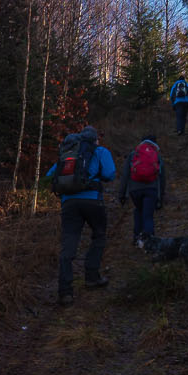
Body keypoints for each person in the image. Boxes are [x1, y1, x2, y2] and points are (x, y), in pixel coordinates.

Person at [45, 125, 116, 306]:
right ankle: (92, 276)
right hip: (93, 201)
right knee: (99, 235)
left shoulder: (69, 153)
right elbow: (109, 173)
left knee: (68, 245)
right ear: (95, 139)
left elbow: (49, 175)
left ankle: (65, 291)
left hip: (68, 204)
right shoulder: (100, 151)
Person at [120, 135, 167, 251]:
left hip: (135, 190)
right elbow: (162, 177)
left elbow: (125, 175)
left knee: (138, 210)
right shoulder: (156, 155)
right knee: (148, 216)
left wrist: (122, 194)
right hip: (151, 189)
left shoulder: (133, 154)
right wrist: (161, 196)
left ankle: (137, 238)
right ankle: (150, 243)